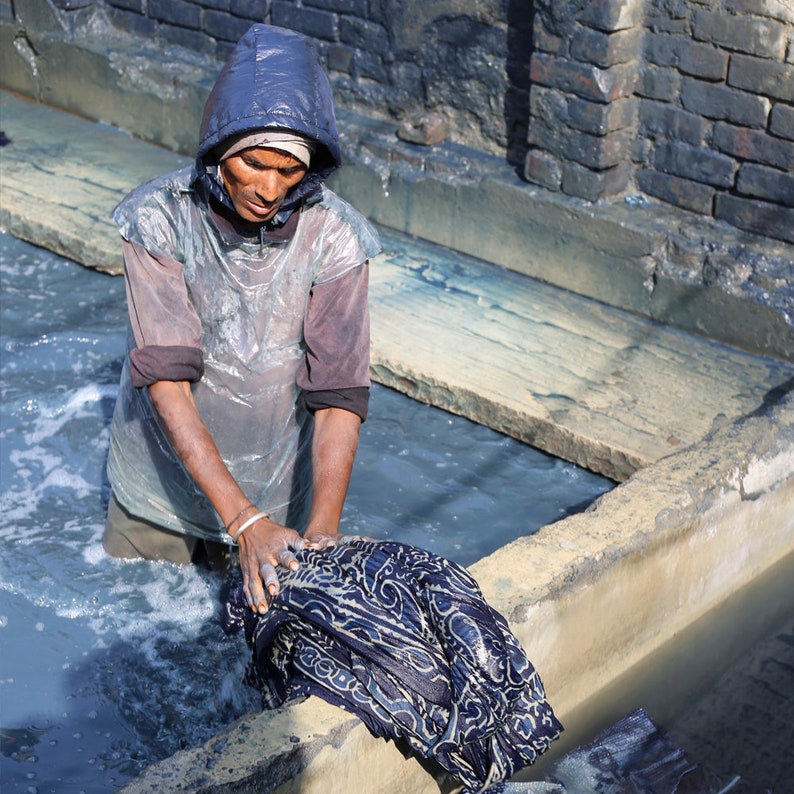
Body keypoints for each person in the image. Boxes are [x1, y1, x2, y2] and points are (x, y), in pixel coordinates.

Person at [103, 23, 381, 615]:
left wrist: (323, 529)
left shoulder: (335, 237)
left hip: (277, 494)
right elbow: (167, 379)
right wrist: (241, 517)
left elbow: (338, 389)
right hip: (160, 492)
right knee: (141, 645)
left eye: (289, 171)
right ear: (220, 152)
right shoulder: (160, 220)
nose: (270, 188)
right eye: (254, 164)